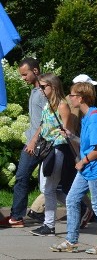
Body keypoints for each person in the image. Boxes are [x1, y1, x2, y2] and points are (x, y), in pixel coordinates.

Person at [49, 81, 97, 254]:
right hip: (86, 169)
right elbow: (87, 144)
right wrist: (71, 136)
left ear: (81, 98)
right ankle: (71, 241)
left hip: (95, 168)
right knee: (71, 200)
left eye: (72, 95)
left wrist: (82, 161)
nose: (70, 98)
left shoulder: (93, 119)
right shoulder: (87, 117)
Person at [1, 58, 47, 228]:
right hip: (33, 141)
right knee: (24, 178)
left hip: (39, 143)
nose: (23, 78)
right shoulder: (35, 90)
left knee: (24, 177)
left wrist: (34, 140)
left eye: (25, 74)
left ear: (35, 71)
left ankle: (17, 216)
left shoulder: (44, 91)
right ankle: (16, 216)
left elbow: (48, 119)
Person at [30, 74, 78, 237]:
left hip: (58, 149)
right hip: (48, 149)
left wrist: (61, 135)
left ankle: (49, 225)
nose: (41, 90)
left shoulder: (62, 105)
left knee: (49, 188)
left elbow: (67, 130)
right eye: (40, 87)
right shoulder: (47, 105)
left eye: (44, 87)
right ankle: (79, 209)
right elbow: (44, 126)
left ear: (54, 87)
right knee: (47, 188)